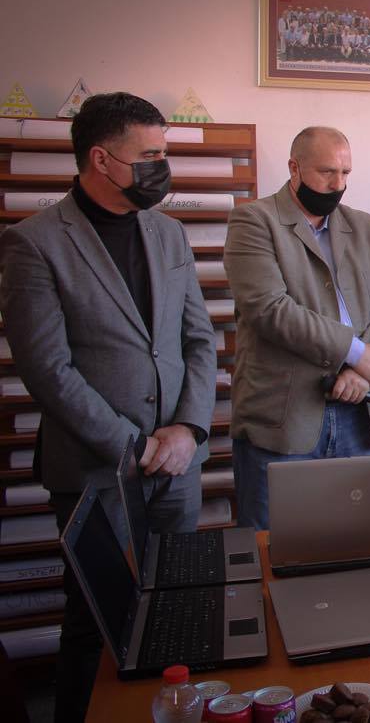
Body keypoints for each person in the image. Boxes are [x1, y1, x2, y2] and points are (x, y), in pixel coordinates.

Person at [0, 92, 216, 723]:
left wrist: (188, 428)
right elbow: (48, 371)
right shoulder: (34, 243)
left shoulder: (168, 232)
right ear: (101, 159)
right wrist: (136, 445)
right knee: (95, 622)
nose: (161, 167)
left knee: (175, 608)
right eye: (149, 155)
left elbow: (199, 340)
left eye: (164, 153)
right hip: (97, 471)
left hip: (178, 465)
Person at [224, 126, 370, 529]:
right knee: (273, 548)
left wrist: (363, 368)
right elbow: (269, 309)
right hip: (285, 419)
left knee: (355, 541)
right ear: (294, 168)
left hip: (358, 412)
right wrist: (356, 352)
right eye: (326, 172)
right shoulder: (254, 221)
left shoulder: (366, 227)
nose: (338, 184)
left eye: (345, 173)